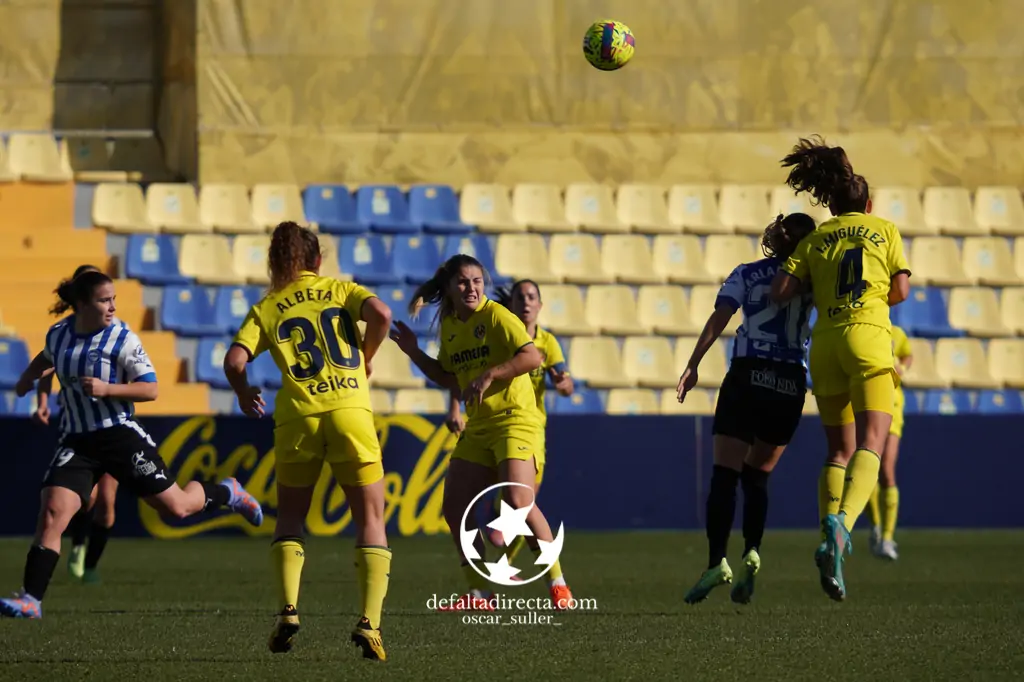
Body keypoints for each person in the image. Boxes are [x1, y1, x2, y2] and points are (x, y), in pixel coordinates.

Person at [1, 271, 264, 620]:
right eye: (103, 300)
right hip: (78, 441)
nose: (112, 307)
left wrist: (108, 389)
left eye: (113, 299)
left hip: (119, 436)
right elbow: (47, 358)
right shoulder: (60, 333)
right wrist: (27, 379)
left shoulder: (122, 338)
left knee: (177, 508)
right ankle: (31, 599)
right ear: (81, 305)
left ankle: (228, 492)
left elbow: (150, 389)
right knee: (52, 512)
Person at [223, 221, 393, 662]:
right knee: (370, 518)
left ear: (277, 263)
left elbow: (234, 359)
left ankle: (288, 611)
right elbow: (383, 316)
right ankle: (370, 624)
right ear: (318, 260)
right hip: (350, 412)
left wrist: (244, 392)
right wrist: (365, 357)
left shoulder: (268, 306)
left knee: (291, 519)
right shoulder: (340, 289)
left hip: (298, 417)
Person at [770, 136, 911, 601]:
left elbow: (782, 291)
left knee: (838, 450)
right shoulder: (884, 230)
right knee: (874, 441)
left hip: (825, 343)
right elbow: (901, 291)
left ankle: (825, 531)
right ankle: (842, 528)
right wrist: (873, 299)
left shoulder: (816, 238)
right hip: (868, 338)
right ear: (868, 204)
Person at [390, 255, 573, 611]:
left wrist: (490, 374)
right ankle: (478, 593)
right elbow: (448, 377)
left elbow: (532, 357)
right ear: (449, 289)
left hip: (514, 420)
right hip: (479, 426)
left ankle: (558, 583)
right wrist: (413, 352)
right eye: (463, 282)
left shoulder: (497, 315)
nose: (472, 288)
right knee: (456, 507)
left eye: (477, 281)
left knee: (519, 503)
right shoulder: (452, 328)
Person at [679, 213, 816, 605]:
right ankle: (752, 550)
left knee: (725, 474)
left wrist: (693, 363)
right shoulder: (814, 282)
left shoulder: (748, 272)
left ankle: (715, 562)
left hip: (748, 374)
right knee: (757, 475)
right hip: (789, 383)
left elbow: (719, 317)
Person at [446, 279, 574, 564]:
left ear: (539, 305)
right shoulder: (498, 335)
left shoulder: (547, 343)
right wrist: (455, 407)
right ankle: (502, 562)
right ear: (512, 304)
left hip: (530, 428)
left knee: (521, 506)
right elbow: (461, 372)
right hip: (491, 425)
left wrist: (563, 383)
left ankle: (511, 564)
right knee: (510, 506)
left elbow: (567, 386)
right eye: (520, 297)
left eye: (531, 297)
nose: (526, 302)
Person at [34, 264, 121, 583]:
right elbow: (45, 369)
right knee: (89, 497)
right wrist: (42, 403)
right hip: (80, 427)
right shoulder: (64, 334)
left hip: (114, 425)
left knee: (107, 505)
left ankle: (91, 566)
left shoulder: (115, 333)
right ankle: (78, 545)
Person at [867, 323, 912, 561]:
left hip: (893, 404)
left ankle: (887, 537)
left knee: (886, 470)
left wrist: (902, 367)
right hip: (869, 401)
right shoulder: (867, 329)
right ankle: (875, 524)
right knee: (867, 469)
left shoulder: (897, 333)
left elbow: (907, 353)